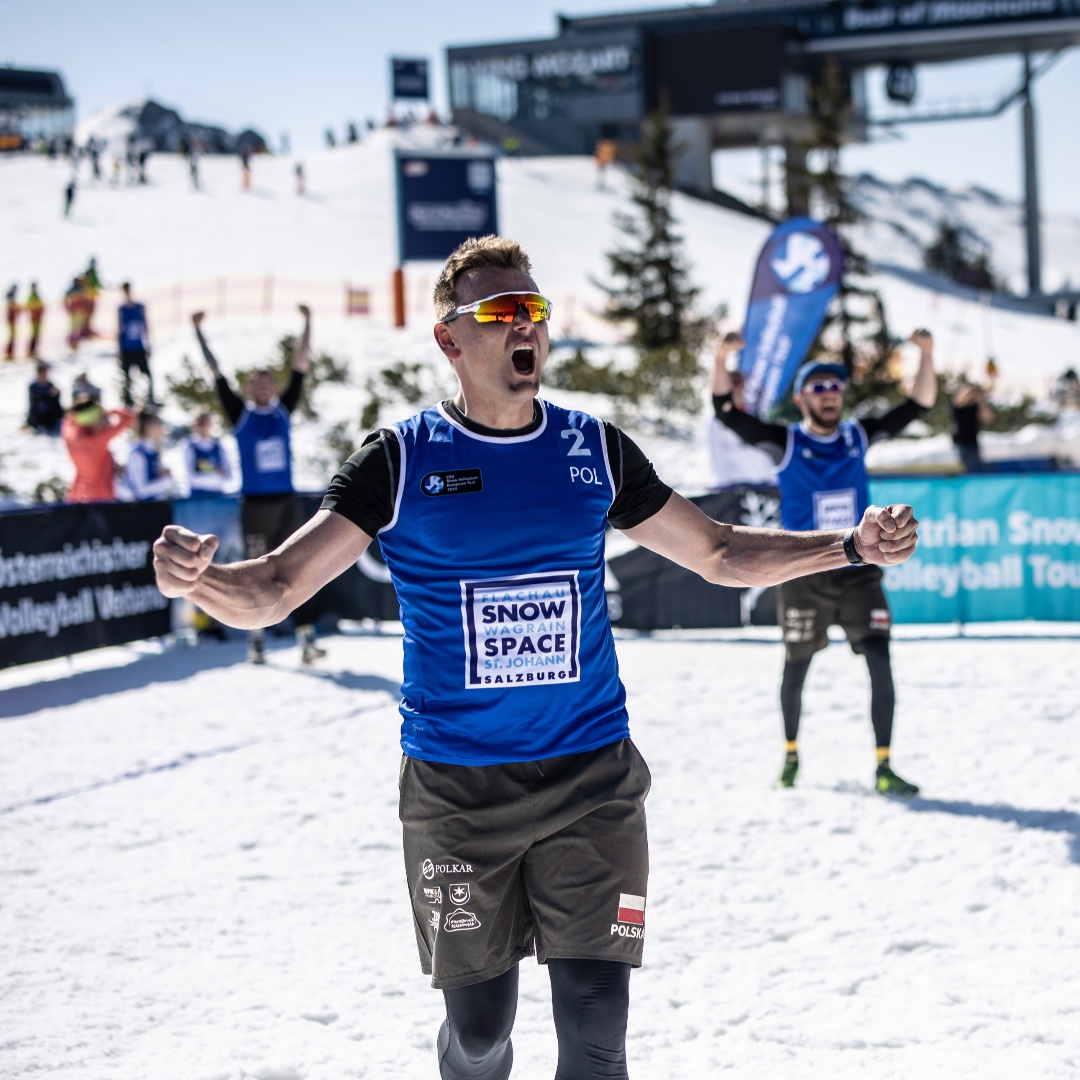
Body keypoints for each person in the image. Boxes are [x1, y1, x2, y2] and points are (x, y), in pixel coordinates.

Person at [154, 235, 921, 1080]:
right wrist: (201, 581)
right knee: (481, 1034)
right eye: (501, 313)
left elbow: (721, 552)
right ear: (450, 340)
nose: (526, 327)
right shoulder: (399, 461)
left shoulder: (593, 450)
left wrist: (849, 546)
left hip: (592, 782)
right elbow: (275, 588)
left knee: (597, 1033)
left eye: (535, 310)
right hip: (458, 791)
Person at [712, 329, 937, 795]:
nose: (829, 394)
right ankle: (790, 756)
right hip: (805, 573)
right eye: (818, 388)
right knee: (796, 668)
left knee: (879, 659)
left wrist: (927, 355)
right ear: (801, 399)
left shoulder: (856, 436)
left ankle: (884, 766)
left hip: (859, 572)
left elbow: (917, 405)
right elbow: (727, 413)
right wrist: (720, 359)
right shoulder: (785, 441)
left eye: (835, 387)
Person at [192, 305, 324, 665]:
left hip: (286, 502)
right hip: (254, 505)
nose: (264, 386)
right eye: (257, 382)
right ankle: (257, 640)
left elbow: (300, 366)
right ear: (249, 388)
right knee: (255, 572)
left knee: (301, 568)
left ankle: (307, 639)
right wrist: (198, 332)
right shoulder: (241, 414)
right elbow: (215, 371)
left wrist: (308, 323)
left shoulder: (283, 410)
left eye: (269, 381)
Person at [707, 332, 778, 489]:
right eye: (732, 381)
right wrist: (725, 491)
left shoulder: (757, 414)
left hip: (765, 488)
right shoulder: (718, 422)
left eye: (739, 381)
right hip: (737, 489)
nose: (736, 386)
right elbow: (717, 458)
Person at [62, 385, 135, 503]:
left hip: (78, 494)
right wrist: (109, 410)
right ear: (94, 420)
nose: (105, 422)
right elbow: (129, 417)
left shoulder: (70, 434)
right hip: (101, 497)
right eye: (102, 418)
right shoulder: (97, 440)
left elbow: (70, 419)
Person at [118, 281, 157, 406]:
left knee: (147, 375)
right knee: (127, 377)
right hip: (126, 348)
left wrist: (149, 344)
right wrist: (119, 349)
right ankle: (128, 401)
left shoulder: (139, 307)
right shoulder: (121, 309)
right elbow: (119, 329)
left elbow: (145, 326)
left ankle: (150, 398)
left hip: (139, 347)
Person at [125, 409, 174, 501]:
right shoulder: (138, 453)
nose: (161, 428)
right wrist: (166, 481)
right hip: (145, 510)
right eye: (158, 424)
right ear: (149, 426)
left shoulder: (153, 451)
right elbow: (140, 491)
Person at [183, 409, 234, 496]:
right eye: (200, 423)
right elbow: (191, 478)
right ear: (194, 425)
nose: (204, 426)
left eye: (206, 422)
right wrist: (216, 476)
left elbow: (228, 476)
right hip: (197, 497)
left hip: (217, 495)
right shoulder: (189, 446)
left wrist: (209, 477)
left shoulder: (219, 446)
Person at [951, 379, 994, 472]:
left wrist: (981, 399)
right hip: (962, 443)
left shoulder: (975, 407)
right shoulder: (959, 406)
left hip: (973, 442)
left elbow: (988, 418)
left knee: (976, 470)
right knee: (967, 470)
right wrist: (972, 390)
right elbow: (961, 399)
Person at [26, 361, 64, 435]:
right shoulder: (33, 386)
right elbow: (33, 401)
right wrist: (47, 395)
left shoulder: (50, 385)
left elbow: (55, 402)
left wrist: (56, 394)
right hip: (38, 412)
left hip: (49, 412)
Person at [25, 282, 44, 358]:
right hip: (34, 318)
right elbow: (28, 306)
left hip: (38, 318)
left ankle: (33, 350)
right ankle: (31, 350)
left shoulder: (36, 295)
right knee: (34, 334)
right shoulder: (32, 296)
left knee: (36, 334)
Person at [4, 285, 17, 361]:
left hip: (12, 319)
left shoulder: (11, 297)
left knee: (13, 336)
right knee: (12, 336)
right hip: (11, 319)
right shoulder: (11, 296)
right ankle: (9, 353)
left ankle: (10, 353)